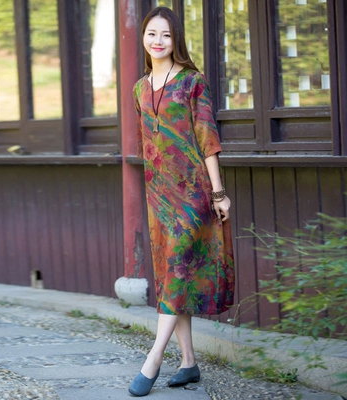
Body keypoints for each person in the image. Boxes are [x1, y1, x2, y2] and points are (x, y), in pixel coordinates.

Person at [129, 6, 235, 397]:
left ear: (176, 40)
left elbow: (208, 138)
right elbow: (146, 143)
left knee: (176, 270)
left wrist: (218, 193)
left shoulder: (192, 81)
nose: (158, 41)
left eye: (166, 35)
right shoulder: (139, 89)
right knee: (174, 275)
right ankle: (188, 362)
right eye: (151, 33)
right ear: (144, 38)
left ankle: (154, 358)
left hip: (194, 194)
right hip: (159, 195)